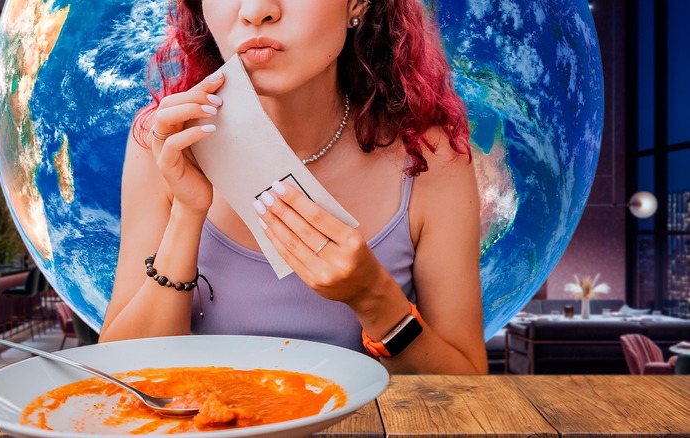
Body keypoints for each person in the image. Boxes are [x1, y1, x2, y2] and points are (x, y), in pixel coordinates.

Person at [99, 0, 488, 375]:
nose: (255, 11)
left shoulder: (430, 158)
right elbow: (117, 374)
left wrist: (374, 298)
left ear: (357, 4)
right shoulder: (166, 142)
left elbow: (467, 390)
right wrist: (186, 214)